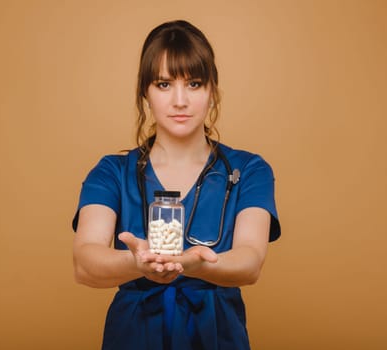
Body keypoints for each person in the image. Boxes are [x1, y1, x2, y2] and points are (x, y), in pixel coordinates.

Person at [72, 20, 281, 350]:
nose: (180, 100)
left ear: (213, 90)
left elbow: (250, 262)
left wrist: (195, 265)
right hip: (132, 337)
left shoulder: (249, 170)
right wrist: (136, 264)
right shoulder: (112, 172)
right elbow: (85, 263)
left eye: (194, 84)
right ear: (145, 91)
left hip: (218, 336)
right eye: (164, 84)